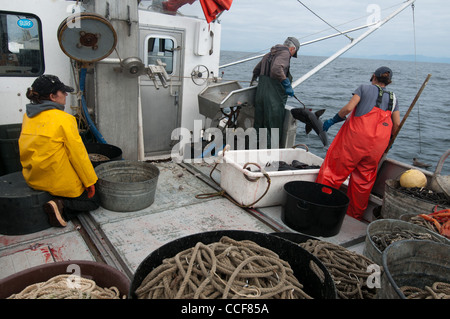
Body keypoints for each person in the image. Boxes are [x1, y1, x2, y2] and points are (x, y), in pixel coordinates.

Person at [316, 66, 400, 220]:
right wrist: (390, 141)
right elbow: (396, 125)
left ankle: (320, 207)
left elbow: (348, 108)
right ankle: (353, 217)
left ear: (373, 76)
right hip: (377, 147)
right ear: (389, 82)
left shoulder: (363, 88)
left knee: (333, 173)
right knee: (363, 182)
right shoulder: (394, 98)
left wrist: (332, 120)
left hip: (355, 142)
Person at [19, 74, 99, 227]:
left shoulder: (27, 117)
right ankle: (61, 205)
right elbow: (78, 156)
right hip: (57, 182)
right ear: (52, 96)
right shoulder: (65, 119)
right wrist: (90, 181)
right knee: (94, 201)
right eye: (63, 92)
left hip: (33, 179)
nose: (66, 95)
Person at [251, 37, 300, 148]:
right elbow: (277, 69)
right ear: (292, 49)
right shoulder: (285, 53)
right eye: (293, 53)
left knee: (259, 125)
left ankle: (254, 152)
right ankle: (268, 157)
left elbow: (256, 70)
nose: (291, 56)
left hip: (260, 95)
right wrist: (286, 84)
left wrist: (254, 81)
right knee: (272, 126)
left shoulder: (269, 54)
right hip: (273, 99)